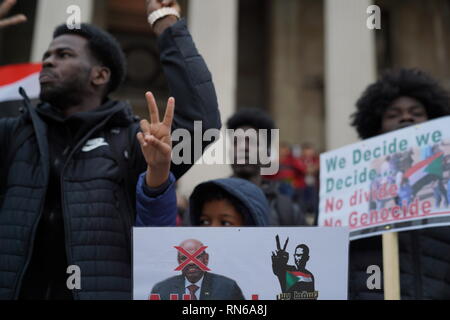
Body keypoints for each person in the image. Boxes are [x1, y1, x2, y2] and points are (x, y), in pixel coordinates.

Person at [0, 0, 221, 300]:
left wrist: (167, 24)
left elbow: (202, 125)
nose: (48, 61)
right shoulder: (14, 133)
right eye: (47, 55)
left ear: (99, 76)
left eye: (63, 55)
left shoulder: (133, 144)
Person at [350, 68, 450, 299]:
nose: (406, 117)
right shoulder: (350, 188)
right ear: (377, 128)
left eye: (416, 112)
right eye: (393, 114)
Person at [226, 108, 306, 226]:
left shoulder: (287, 209)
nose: (243, 148)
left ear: (267, 154)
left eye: (253, 142)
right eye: (236, 142)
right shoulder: (206, 200)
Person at [151, 239, 245, 300]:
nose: (191, 262)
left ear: (206, 259)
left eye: (197, 257)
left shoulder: (228, 288)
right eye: (184, 258)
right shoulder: (161, 290)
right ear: (179, 262)